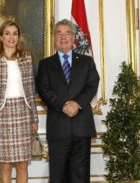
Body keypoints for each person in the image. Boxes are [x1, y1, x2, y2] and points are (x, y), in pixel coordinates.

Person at [36, 19, 100, 183]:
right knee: (58, 176)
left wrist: (76, 103)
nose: (63, 37)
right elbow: (43, 89)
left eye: (67, 33)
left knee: (80, 176)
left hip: (81, 128)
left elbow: (92, 85)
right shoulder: (45, 64)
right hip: (58, 128)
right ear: (54, 37)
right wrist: (62, 105)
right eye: (59, 33)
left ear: (73, 38)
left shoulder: (86, 62)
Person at [0, 21, 38, 183]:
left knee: (22, 164)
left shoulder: (26, 58)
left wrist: (34, 118)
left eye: (15, 33)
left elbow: (30, 89)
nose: (11, 37)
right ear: (1, 37)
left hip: (23, 113)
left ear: (19, 37)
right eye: (7, 33)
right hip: (1, 115)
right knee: (5, 164)